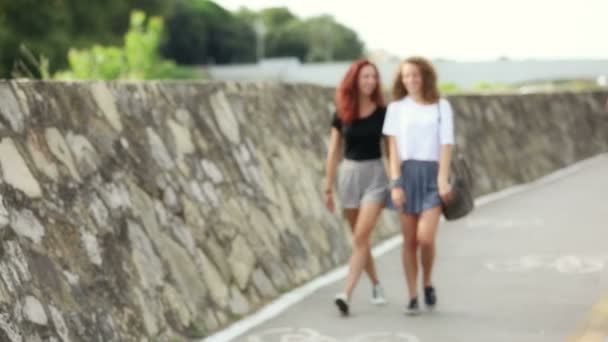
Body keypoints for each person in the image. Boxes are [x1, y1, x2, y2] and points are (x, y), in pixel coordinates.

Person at [382, 56, 454, 315]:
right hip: (406, 175)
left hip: (432, 176)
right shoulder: (396, 109)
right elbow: (393, 149)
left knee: (425, 238)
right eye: (405, 76)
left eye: (415, 74)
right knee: (409, 240)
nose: (410, 80)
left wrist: (443, 179)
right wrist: (396, 183)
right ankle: (413, 295)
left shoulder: (441, 106)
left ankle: (427, 281)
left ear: (425, 76)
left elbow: (446, 144)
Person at [323, 59, 389, 316]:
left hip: (375, 176)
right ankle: (376, 284)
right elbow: (333, 151)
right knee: (360, 240)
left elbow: (391, 149)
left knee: (361, 237)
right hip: (348, 175)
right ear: (355, 80)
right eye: (365, 77)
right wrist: (328, 187)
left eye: (374, 77)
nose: (370, 81)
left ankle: (346, 294)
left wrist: (395, 180)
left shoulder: (384, 113)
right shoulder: (342, 111)